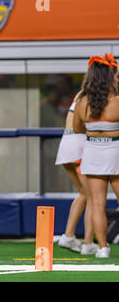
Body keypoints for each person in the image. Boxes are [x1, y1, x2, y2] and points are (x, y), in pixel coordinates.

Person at [73, 53, 119, 258]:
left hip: (93, 152)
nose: (118, 78)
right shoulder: (117, 101)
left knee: (98, 204)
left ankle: (102, 248)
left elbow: (76, 129)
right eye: (116, 74)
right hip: (115, 152)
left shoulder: (81, 102)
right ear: (109, 77)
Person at [55, 90, 96, 255]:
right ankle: (88, 244)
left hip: (66, 146)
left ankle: (68, 236)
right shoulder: (96, 96)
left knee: (84, 194)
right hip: (80, 146)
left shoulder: (80, 94)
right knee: (94, 197)